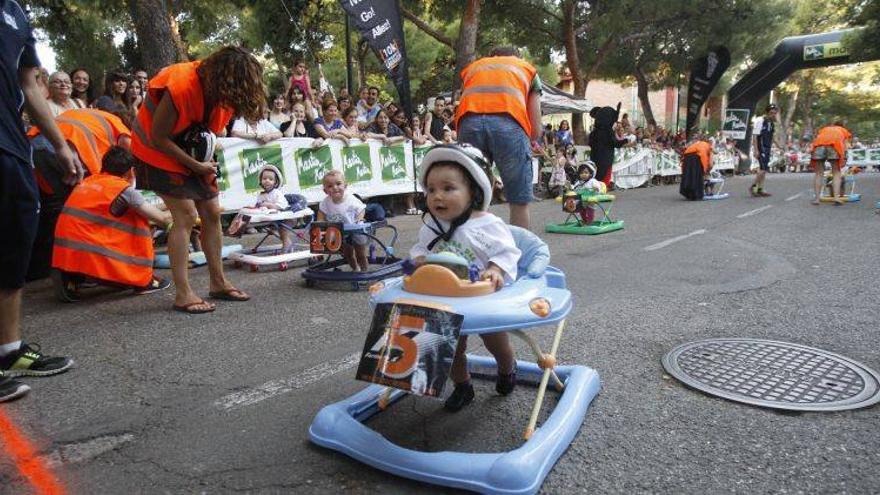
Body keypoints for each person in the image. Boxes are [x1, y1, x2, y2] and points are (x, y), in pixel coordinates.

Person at [132, 46, 263, 314]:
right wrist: (195, 165)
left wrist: (201, 163)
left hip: (191, 150)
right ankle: (183, 294)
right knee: (186, 216)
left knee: (212, 211)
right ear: (222, 77)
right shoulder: (181, 84)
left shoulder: (222, 95)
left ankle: (218, 282)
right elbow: (159, 137)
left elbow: (208, 132)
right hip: (155, 149)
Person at [1, 0, 78, 402]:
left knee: (15, 242)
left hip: (11, 144)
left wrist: (61, 145)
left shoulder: (15, 12)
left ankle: (9, 350)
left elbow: (29, 85)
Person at [411, 144, 520, 411]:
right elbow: (419, 252)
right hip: (447, 299)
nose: (438, 196)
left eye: (448, 188)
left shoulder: (487, 224)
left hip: (481, 298)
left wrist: (495, 268)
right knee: (450, 349)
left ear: (473, 191)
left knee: (496, 342)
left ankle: (507, 369)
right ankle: (463, 386)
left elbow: (507, 250)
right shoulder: (432, 227)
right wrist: (418, 262)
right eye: (432, 189)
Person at [52, 146, 172, 301]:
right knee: (138, 221)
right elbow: (162, 219)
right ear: (131, 172)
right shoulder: (123, 190)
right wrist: (185, 212)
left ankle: (74, 277)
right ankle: (141, 280)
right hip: (94, 253)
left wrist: (170, 206)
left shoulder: (87, 182)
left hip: (66, 255)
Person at [27, 107, 132, 280]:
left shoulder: (86, 113)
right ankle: (78, 272)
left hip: (34, 146)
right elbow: (127, 170)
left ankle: (39, 270)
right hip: (66, 152)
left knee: (53, 210)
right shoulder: (120, 127)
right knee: (80, 215)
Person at [455, 46, 543, 229]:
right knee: (518, 200)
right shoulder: (525, 68)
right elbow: (536, 128)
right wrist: (532, 138)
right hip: (509, 123)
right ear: (517, 57)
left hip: (468, 123)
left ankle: (472, 247)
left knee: (472, 194)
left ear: (491, 57)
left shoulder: (476, 67)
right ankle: (519, 253)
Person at [317, 170, 368, 271]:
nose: (335, 187)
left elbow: (361, 209)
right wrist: (319, 225)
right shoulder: (325, 202)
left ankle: (364, 270)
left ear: (345, 185)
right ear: (325, 190)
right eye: (330, 186)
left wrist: (359, 219)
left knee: (360, 253)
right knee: (347, 254)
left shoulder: (351, 199)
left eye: (338, 184)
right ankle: (355, 269)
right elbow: (321, 214)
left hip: (355, 229)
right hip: (340, 232)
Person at [809, 120, 852, 205]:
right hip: (834, 146)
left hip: (818, 146)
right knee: (836, 172)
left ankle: (817, 199)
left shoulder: (825, 129)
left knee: (818, 173)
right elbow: (846, 145)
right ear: (842, 126)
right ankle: (836, 198)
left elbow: (817, 138)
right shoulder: (843, 130)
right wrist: (844, 158)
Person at [253, 164, 293, 251]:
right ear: (260, 180)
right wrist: (258, 207)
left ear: (276, 182)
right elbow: (259, 205)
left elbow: (282, 206)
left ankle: (287, 245)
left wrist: (268, 205)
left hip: (286, 217)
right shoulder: (261, 195)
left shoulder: (277, 193)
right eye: (264, 179)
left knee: (283, 230)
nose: (267, 181)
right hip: (272, 219)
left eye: (270, 179)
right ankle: (287, 244)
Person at [750, 103, 778, 197]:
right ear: (767, 112)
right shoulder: (760, 120)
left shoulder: (771, 123)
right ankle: (753, 187)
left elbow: (771, 136)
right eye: (771, 113)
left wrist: (778, 146)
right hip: (761, 147)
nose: (773, 115)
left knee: (765, 169)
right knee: (762, 169)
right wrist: (756, 150)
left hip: (767, 147)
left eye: (774, 113)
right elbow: (755, 136)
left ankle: (760, 188)